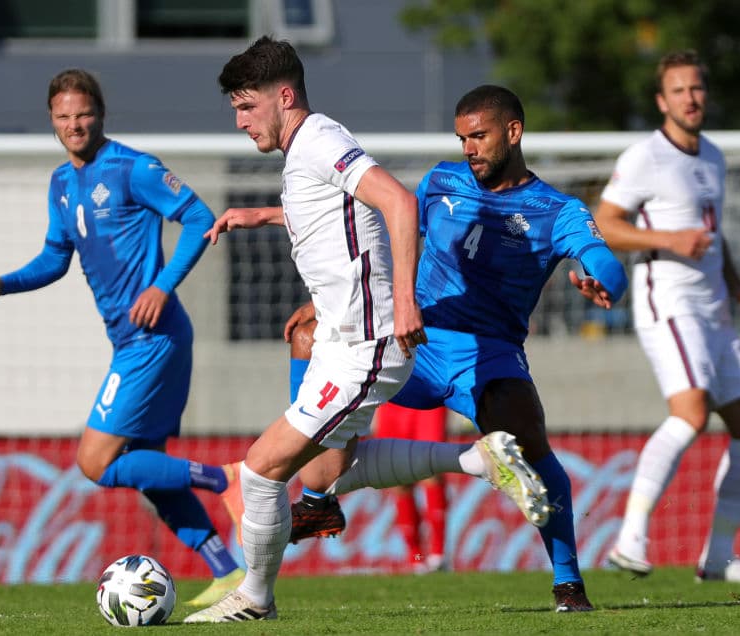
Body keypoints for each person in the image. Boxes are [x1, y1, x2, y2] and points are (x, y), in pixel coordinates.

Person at [185, 38, 550, 623]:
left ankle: (254, 597)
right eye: (236, 109)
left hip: (366, 344)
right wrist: (267, 216)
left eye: (247, 107)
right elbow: (339, 215)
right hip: (342, 342)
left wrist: (404, 303)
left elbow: (398, 203)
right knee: (325, 473)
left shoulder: (319, 140)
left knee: (259, 470)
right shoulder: (305, 151)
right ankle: (478, 460)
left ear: (285, 97)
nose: (240, 121)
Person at [289, 84, 630, 612]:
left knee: (528, 443)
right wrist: (334, 301)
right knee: (308, 337)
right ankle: (314, 497)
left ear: (513, 132)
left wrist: (603, 280)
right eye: (461, 138)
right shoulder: (441, 181)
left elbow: (605, 261)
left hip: (488, 354)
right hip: (414, 339)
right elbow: (394, 240)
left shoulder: (555, 210)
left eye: (478, 136)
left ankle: (568, 583)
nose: (468, 148)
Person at [0, 68, 244, 607]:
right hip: (130, 342)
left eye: (84, 114)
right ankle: (227, 573)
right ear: (52, 120)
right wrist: (4, 284)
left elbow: (199, 217)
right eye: (64, 116)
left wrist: (162, 286)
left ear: (101, 114)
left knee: (95, 461)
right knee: (147, 467)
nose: (75, 125)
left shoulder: (133, 168)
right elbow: (55, 258)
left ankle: (228, 479)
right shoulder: (60, 184)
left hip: (153, 339)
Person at [595, 50, 740, 584]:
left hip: (715, 309)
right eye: (678, 90)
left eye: (696, 88)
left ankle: (719, 557)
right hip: (668, 303)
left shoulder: (713, 155)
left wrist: (738, 286)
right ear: (661, 101)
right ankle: (629, 538)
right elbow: (606, 223)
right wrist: (670, 239)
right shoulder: (644, 157)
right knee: (691, 414)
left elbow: (712, 235)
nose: (690, 99)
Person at [374, 402, 451, 573]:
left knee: (430, 467)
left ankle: (438, 555)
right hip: (391, 401)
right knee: (399, 478)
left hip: (427, 398)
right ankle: (416, 558)